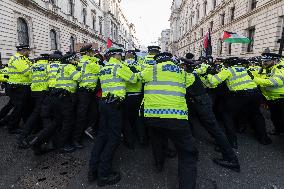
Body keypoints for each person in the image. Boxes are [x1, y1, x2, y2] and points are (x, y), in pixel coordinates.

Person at [138, 52, 198, 189]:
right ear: (171, 60)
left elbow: (138, 78)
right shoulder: (180, 72)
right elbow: (192, 80)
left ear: (157, 61)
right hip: (177, 118)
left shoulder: (151, 69)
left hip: (153, 117)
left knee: (157, 141)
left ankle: (159, 164)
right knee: (187, 154)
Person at [180, 58, 240, 172]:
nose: (180, 67)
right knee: (209, 127)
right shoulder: (191, 74)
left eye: (181, 66)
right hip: (199, 102)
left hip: (200, 103)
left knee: (214, 129)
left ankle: (232, 160)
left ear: (185, 66)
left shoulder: (187, 75)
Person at [88, 48, 137, 187]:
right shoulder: (119, 66)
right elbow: (133, 79)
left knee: (102, 136)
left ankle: (92, 170)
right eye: (119, 54)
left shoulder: (104, 68)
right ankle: (104, 174)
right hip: (114, 105)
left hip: (103, 103)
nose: (121, 56)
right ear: (114, 55)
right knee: (114, 138)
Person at [207, 57, 271, 148]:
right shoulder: (244, 69)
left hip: (241, 95)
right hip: (255, 93)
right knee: (256, 114)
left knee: (227, 115)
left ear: (228, 64)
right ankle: (264, 138)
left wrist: (210, 73)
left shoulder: (228, 70)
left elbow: (213, 81)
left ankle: (231, 142)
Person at [17, 54, 50, 148]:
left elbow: (30, 78)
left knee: (37, 112)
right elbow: (50, 79)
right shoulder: (47, 66)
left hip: (34, 91)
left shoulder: (34, 66)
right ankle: (22, 137)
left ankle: (37, 129)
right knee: (36, 113)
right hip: (43, 91)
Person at [72, 45, 100, 149]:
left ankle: (82, 131)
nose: (93, 53)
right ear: (87, 53)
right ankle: (75, 139)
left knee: (94, 113)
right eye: (91, 51)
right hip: (84, 92)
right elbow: (99, 70)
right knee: (81, 116)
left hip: (90, 92)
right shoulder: (87, 62)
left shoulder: (89, 61)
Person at [251, 53, 284, 135]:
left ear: (275, 60)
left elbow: (274, 82)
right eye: (263, 61)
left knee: (282, 117)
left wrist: (253, 79)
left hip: (281, 99)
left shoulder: (280, 68)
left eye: (267, 61)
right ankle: (278, 130)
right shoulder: (267, 68)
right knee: (275, 117)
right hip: (271, 98)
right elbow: (258, 75)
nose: (264, 63)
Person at [122, 50, 146, 149]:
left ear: (126, 56)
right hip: (138, 95)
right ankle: (142, 139)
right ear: (134, 56)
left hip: (126, 95)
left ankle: (129, 141)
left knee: (126, 119)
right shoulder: (140, 65)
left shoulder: (121, 65)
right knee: (139, 118)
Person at [6, 45, 32, 134]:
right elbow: (26, 72)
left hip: (21, 86)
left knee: (21, 107)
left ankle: (14, 124)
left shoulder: (23, 59)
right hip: (17, 87)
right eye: (28, 51)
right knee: (18, 108)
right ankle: (12, 127)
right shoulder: (18, 59)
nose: (29, 52)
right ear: (24, 51)